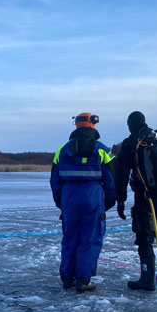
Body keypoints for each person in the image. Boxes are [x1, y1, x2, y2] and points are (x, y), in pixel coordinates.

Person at [115, 111, 157, 290]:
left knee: (145, 237)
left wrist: (120, 200)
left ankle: (147, 279)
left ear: (130, 125)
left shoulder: (131, 143)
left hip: (144, 197)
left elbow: (122, 175)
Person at [50, 112, 116, 292]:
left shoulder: (62, 150)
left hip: (69, 195)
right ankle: (83, 280)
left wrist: (60, 202)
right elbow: (111, 179)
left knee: (70, 237)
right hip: (92, 195)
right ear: (93, 125)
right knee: (90, 238)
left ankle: (67, 278)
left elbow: (54, 180)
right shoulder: (102, 149)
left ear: (76, 126)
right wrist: (109, 202)